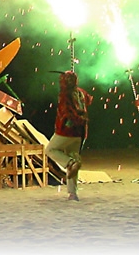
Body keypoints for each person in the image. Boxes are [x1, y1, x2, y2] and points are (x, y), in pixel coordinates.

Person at [48, 70, 91, 201]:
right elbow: (89, 100)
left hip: (66, 130)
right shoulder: (81, 92)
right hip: (80, 131)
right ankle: (73, 193)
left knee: (50, 150)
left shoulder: (64, 95)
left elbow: (66, 112)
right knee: (73, 156)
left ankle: (69, 162)